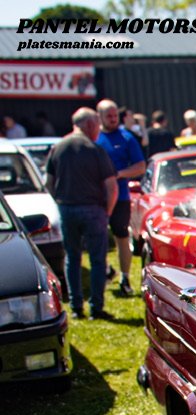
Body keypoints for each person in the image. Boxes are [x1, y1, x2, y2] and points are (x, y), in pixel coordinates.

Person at [45, 107, 116, 319]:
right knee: (97, 260)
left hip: (67, 209)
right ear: (91, 125)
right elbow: (112, 187)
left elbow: (48, 183)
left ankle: (76, 307)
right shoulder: (95, 150)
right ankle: (96, 307)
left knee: (72, 257)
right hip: (93, 209)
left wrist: (61, 203)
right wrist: (107, 213)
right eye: (98, 126)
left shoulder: (57, 148)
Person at [96, 99, 146, 296]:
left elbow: (140, 166)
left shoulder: (126, 138)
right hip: (97, 198)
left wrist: (119, 174)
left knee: (122, 236)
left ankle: (125, 277)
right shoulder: (94, 137)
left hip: (121, 196)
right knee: (97, 236)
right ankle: (107, 270)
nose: (113, 119)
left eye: (115, 115)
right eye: (108, 116)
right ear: (99, 117)